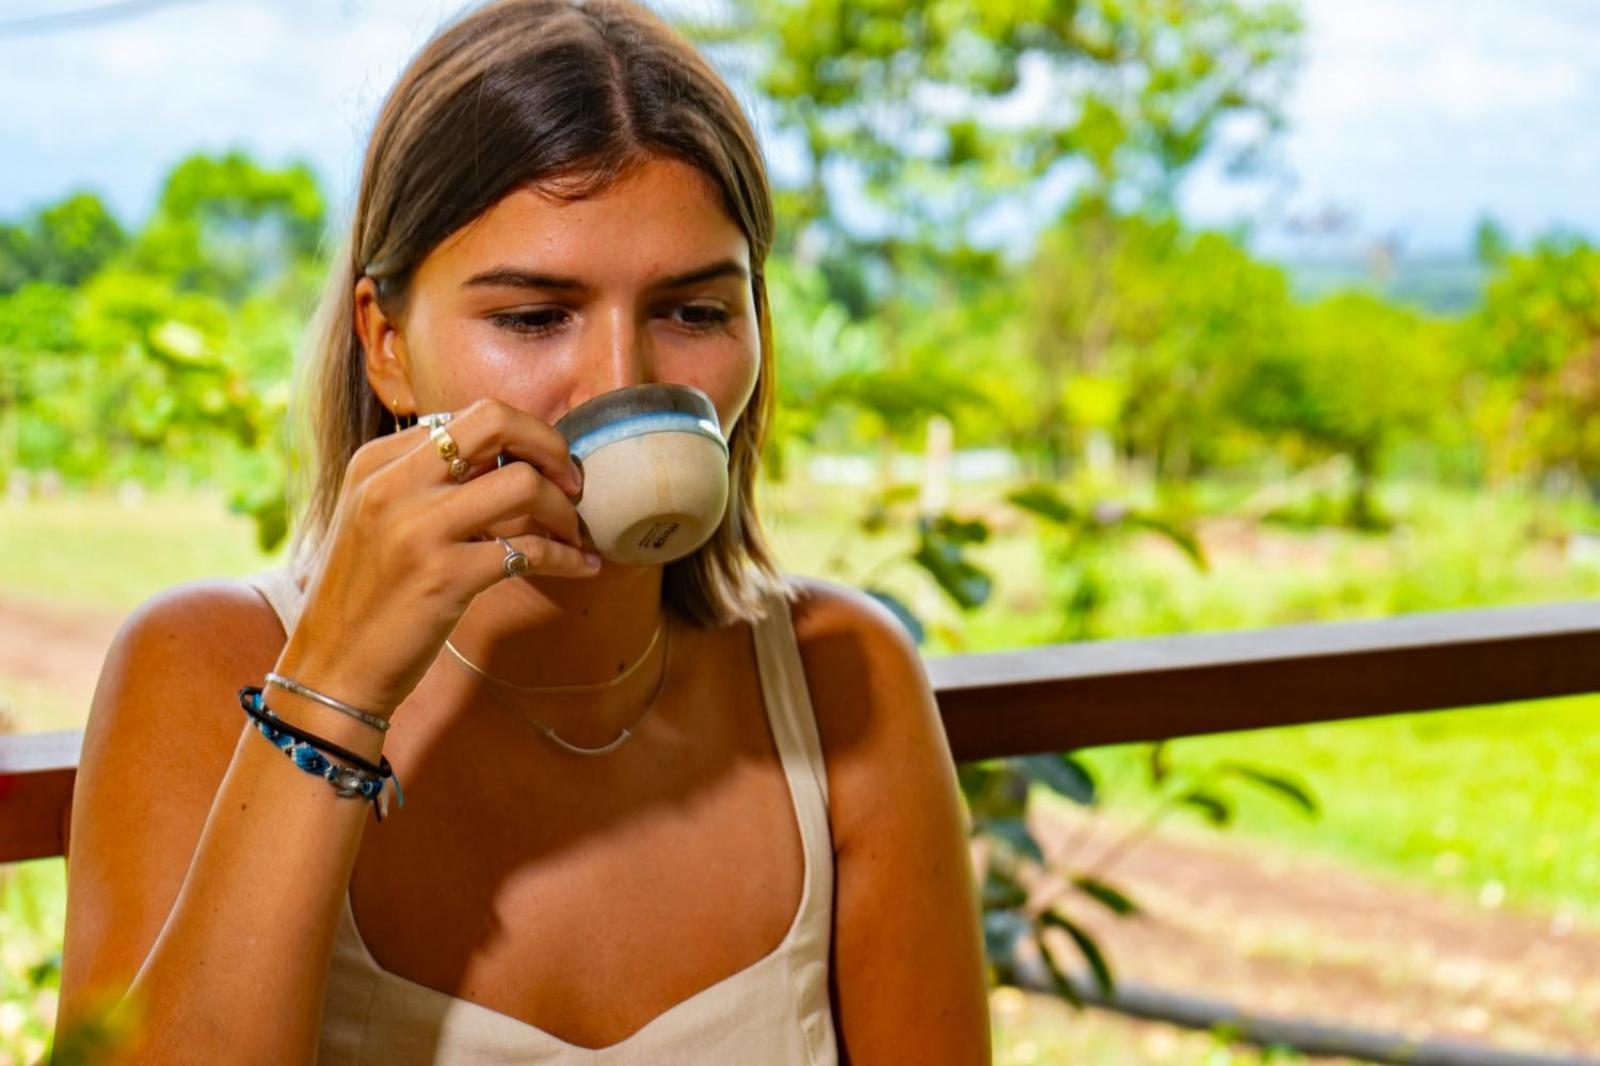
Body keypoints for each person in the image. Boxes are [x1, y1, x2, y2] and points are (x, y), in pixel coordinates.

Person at [53, 1, 990, 1062]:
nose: (621, 383)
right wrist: (337, 687)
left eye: (692, 311)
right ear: (387, 343)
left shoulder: (839, 681)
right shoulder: (200, 668)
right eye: (533, 318)